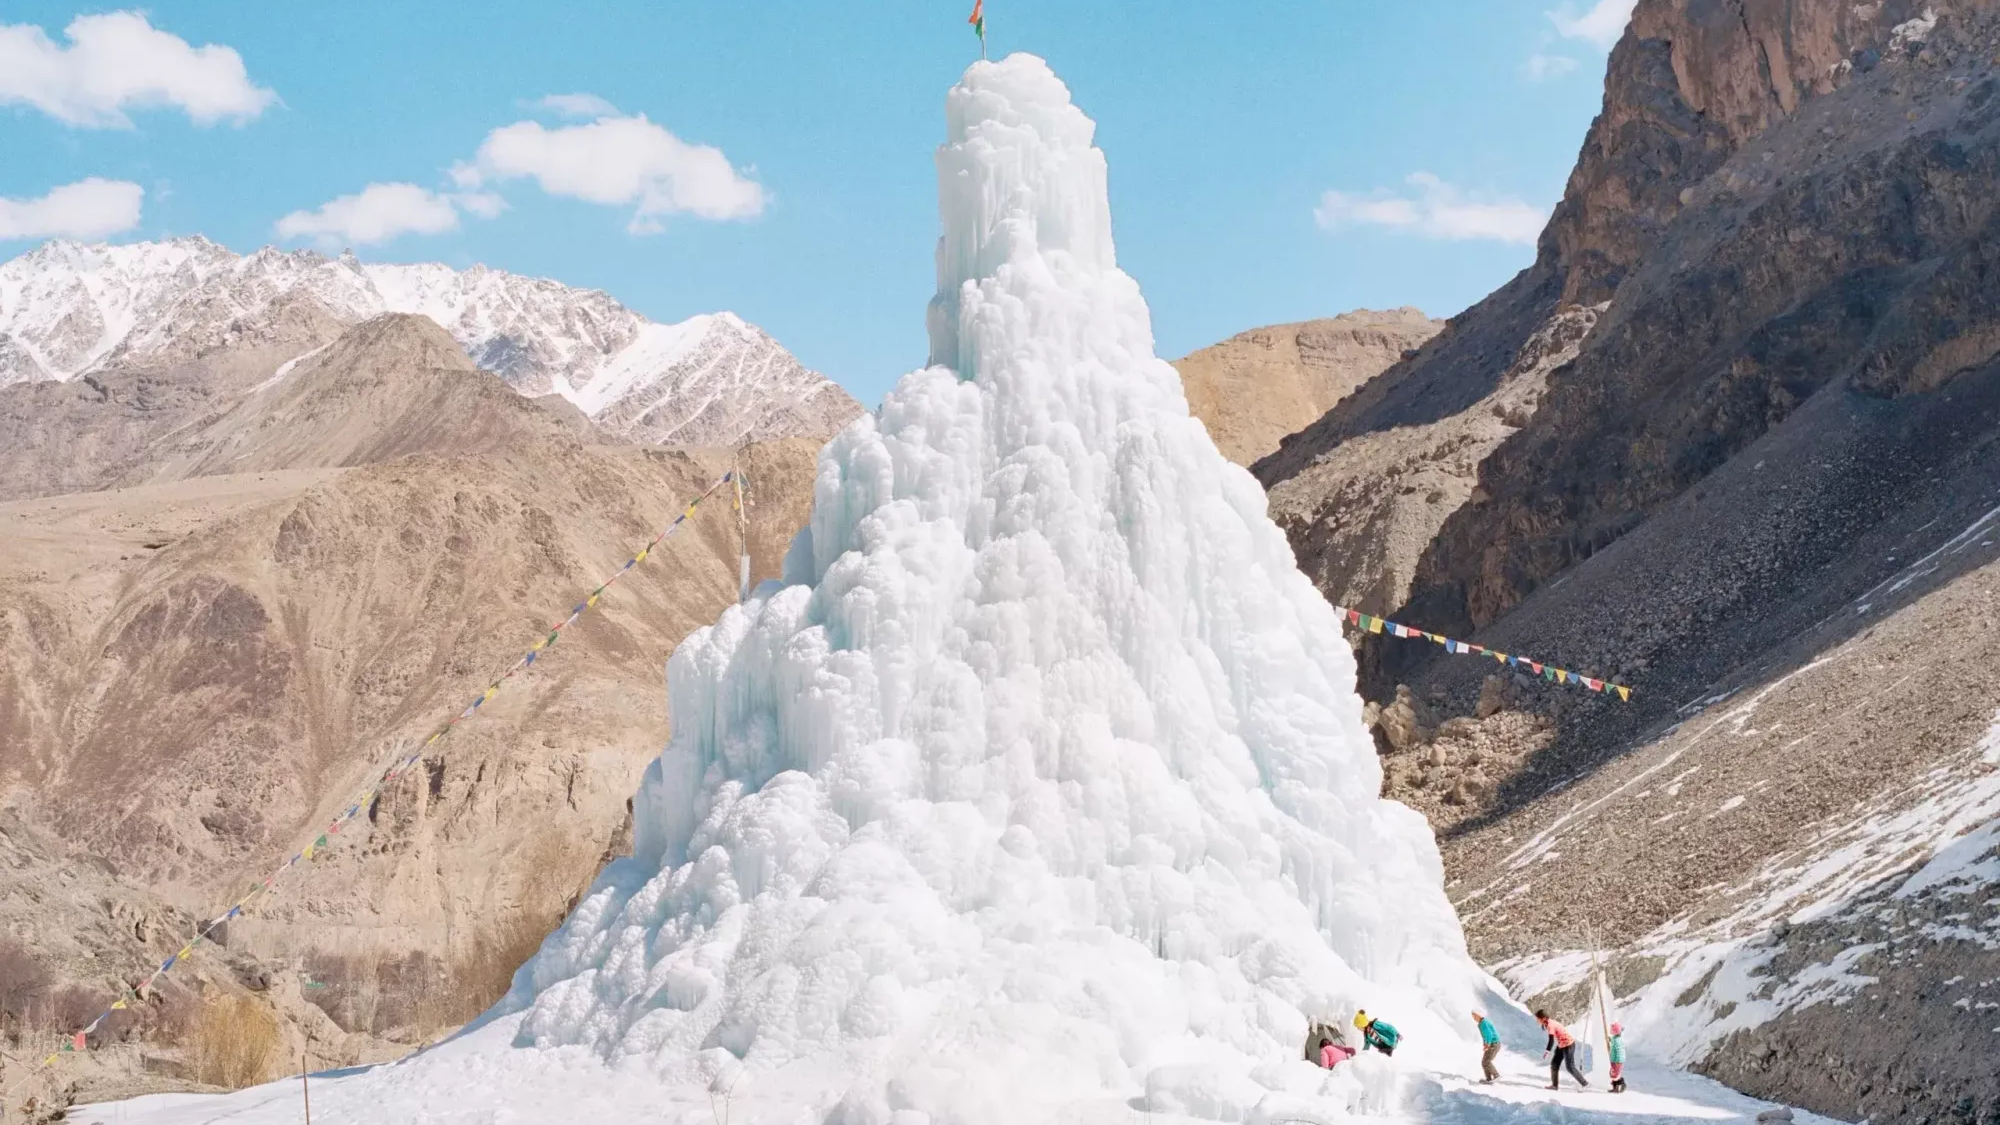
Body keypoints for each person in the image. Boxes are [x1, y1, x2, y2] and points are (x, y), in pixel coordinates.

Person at [1536, 1009, 1588, 1090]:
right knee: (1554, 1065)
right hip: (1561, 1045)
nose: (1537, 1020)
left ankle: (1585, 1084)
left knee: (1570, 1067)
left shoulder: (1550, 1024)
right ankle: (1554, 1085)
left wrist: (1547, 1051)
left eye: (1538, 1018)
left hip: (1568, 1045)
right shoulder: (1547, 1023)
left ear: (1543, 1018)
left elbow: (1551, 1040)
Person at [1472, 1010, 1501, 1083]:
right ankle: (1489, 1079)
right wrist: (1485, 1044)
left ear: (1479, 1015)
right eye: (1472, 1015)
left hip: (1494, 1043)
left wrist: (1487, 1044)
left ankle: (1496, 1075)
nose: (1473, 1017)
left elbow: (1489, 1034)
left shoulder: (1484, 1023)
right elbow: (1485, 1036)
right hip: (1491, 1043)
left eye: (1474, 1015)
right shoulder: (1481, 1023)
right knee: (1484, 1062)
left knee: (1487, 1061)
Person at [1608, 1022, 1627, 1093]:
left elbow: (1619, 1051)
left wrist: (1618, 1060)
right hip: (1614, 1059)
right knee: (1612, 1073)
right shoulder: (1615, 1038)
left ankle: (1622, 1083)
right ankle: (1615, 1087)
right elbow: (1614, 1042)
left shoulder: (1617, 1040)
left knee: (1615, 1074)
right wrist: (1610, 1040)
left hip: (1617, 1060)